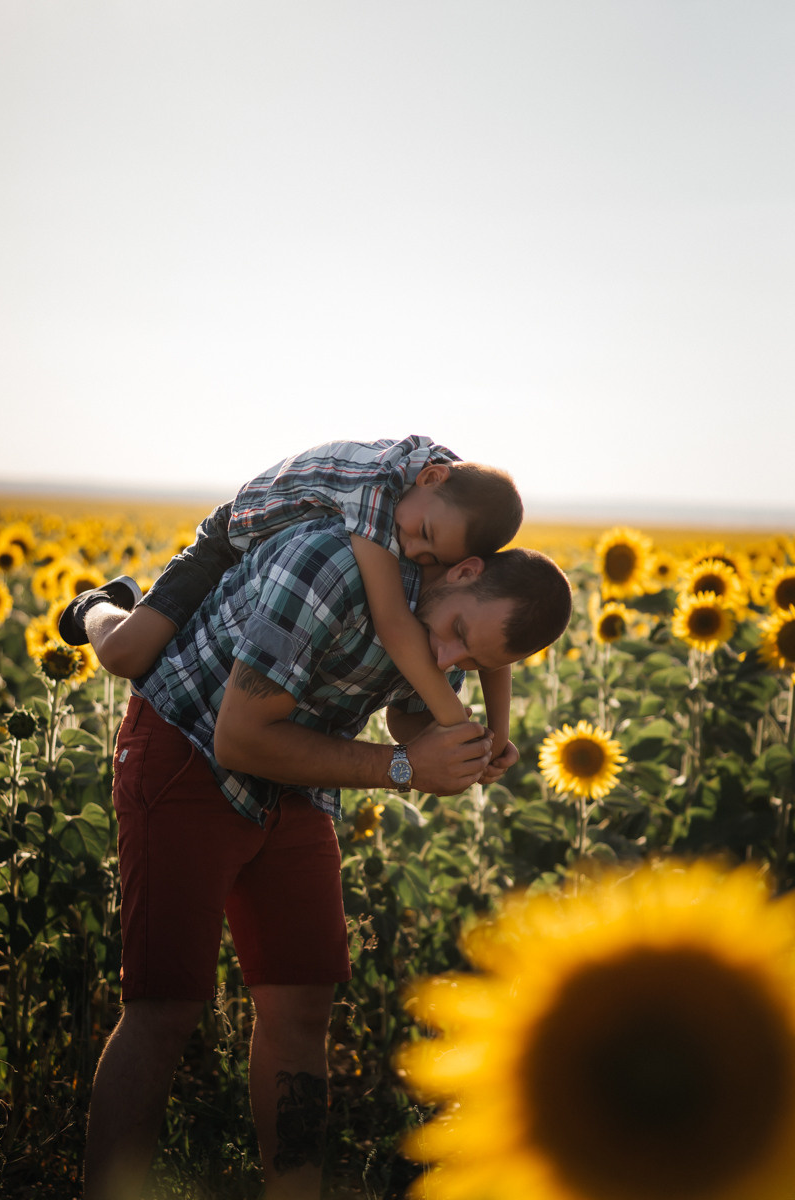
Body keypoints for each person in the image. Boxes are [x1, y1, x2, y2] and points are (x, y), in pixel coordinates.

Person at [79, 514, 572, 1200]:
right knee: (165, 1008)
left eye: (471, 662)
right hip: (187, 749)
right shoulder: (330, 564)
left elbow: (406, 711)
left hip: (301, 776)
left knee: (302, 1007)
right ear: (463, 571)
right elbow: (240, 740)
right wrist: (405, 769)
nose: (449, 659)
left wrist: (466, 742)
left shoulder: (437, 613)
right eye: (458, 635)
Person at [58, 436, 523, 763]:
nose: (416, 552)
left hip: (267, 561)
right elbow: (392, 621)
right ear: (431, 477)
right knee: (125, 653)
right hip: (231, 540)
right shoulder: (377, 491)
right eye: (423, 536)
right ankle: (96, 605)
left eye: (433, 557)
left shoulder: (450, 499)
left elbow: (493, 625)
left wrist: (497, 736)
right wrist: (452, 717)